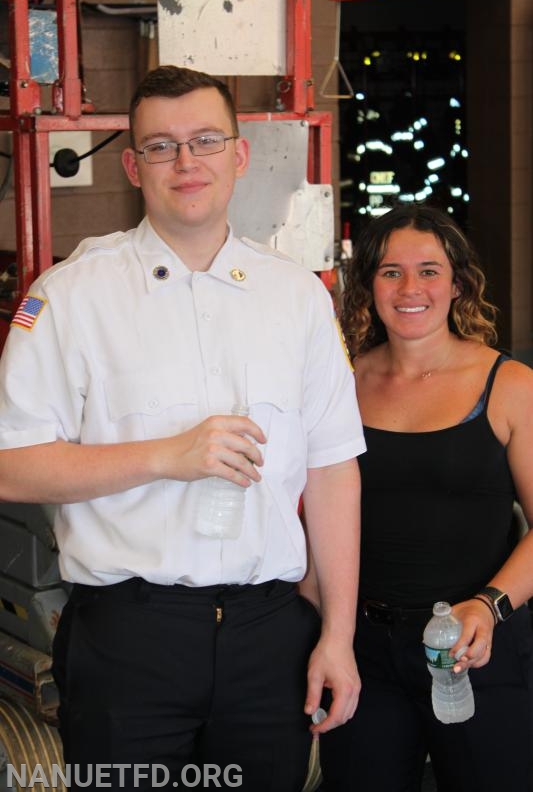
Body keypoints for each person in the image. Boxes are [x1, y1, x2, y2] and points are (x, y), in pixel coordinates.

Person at [0, 65, 366, 791]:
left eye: (204, 140)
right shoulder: (72, 295)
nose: (185, 162)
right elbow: (12, 465)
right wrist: (167, 456)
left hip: (270, 636)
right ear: (133, 166)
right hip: (129, 640)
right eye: (161, 147)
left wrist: (337, 635)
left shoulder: (295, 296)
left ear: (239, 155)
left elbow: (331, 471)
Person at [316, 204, 533, 792]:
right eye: (390, 272)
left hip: (474, 647)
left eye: (429, 271)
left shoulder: (508, 386)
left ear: (458, 282)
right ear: (369, 285)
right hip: (360, 648)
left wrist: (487, 605)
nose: (410, 288)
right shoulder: (339, 385)